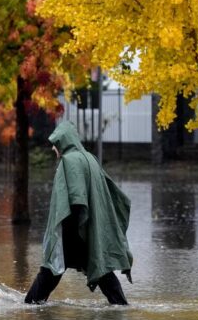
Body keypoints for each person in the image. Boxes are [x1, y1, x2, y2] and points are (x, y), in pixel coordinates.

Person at [24, 121, 133, 305]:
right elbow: (106, 191)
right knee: (100, 268)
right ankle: (121, 306)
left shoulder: (69, 161)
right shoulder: (89, 158)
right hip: (89, 226)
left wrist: (66, 230)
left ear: (63, 141)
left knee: (51, 268)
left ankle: (30, 306)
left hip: (74, 225)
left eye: (55, 143)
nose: (53, 148)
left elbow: (76, 197)